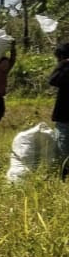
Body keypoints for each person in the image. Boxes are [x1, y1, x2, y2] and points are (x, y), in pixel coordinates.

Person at [48, 42, 69, 176]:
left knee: (63, 150)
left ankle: (63, 175)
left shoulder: (66, 69)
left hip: (64, 116)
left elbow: (52, 80)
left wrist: (63, 64)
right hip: (64, 116)